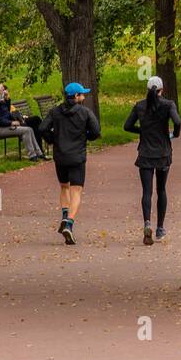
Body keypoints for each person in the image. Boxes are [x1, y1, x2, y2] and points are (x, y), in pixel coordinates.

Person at [39, 82, 101, 244]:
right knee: (76, 191)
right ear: (75, 97)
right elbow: (96, 131)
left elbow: (42, 128)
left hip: (60, 156)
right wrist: (85, 137)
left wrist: (53, 140)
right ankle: (69, 224)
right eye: (82, 94)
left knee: (64, 186)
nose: (84, 96)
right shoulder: (85, 113)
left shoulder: (55, 112)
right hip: (77, 157)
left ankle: (65, 215)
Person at [124, 75, 181, 245]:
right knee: (161, 190)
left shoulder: (140, 106)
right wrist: (174, 135)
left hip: (145, 154)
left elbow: (127, 126)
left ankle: (147, 222)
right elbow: (177, 122)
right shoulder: (168, 105)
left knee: (146, 191)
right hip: (163, 153)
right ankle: (160, 228)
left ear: (148, 90)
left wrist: (141, 131)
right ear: (162, 90)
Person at [0, 83, 45, 160]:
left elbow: (6, 113)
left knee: (29, 129)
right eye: (1, 92)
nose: (2, 94)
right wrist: (11, 123)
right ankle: (32, 155)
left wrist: (7, 100)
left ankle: (39, 153)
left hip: (2, 127)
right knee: (27, 130)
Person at [3, 84, 50, 159]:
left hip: (20, 120)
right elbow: (7, 115)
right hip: (15, 123)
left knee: (36, 124)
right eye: (6, 92)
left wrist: (22, 116)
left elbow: (15, 113)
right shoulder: (2, 103)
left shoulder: (7, 102)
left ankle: (40, 151)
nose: (8, 93)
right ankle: (43, 143)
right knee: (36, 120)